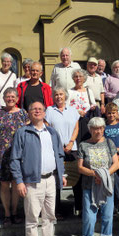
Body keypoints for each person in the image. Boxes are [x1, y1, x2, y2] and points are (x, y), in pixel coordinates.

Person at [10, 101, 67, 236]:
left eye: (40, 109)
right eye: (33, 109)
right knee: (33, 219)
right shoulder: (23, 132)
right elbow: (14, 159)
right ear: (28, 112)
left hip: (50, 180)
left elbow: (59, 154)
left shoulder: (52, 132)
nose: (37, 111)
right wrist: (19, 181)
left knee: (49, 218)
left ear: (44, 112)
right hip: (32, 182)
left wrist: (62, 174)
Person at [77, 117, 119, 236]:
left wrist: (103, 175)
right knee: (89, 218)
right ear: (90, 129)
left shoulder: (109, 143)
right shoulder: (83, 145)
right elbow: (80, 167)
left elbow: (116, 164)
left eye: (101, 128)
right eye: (95, 128)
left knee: (107, 216)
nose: (98, 131)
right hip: (89, 186)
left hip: (107, 187)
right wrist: (95, 174)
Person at [0, 87, 29, 227]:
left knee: (17, 183)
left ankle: (15, 212)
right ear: (4, 98)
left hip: (19, 155)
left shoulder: (23, 113)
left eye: (13, 96)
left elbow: (30, 132)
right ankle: (7, 214)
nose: (10, 99)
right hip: (1, 154)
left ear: (17, 98)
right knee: (5, 184)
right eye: (8, 96)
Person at [45, 87, 80, 215]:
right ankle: (56, 210)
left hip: (72, 149)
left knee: (76, 178)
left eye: (61, 94)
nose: (59, 96)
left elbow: (76, 128)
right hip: (56, 150)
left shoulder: (72, 110)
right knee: (56, 179)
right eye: (56, 94)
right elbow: (48, 129)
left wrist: (71, 142)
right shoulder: (49, 110)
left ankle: (79, 207)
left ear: (65, 96)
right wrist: (58, 145)